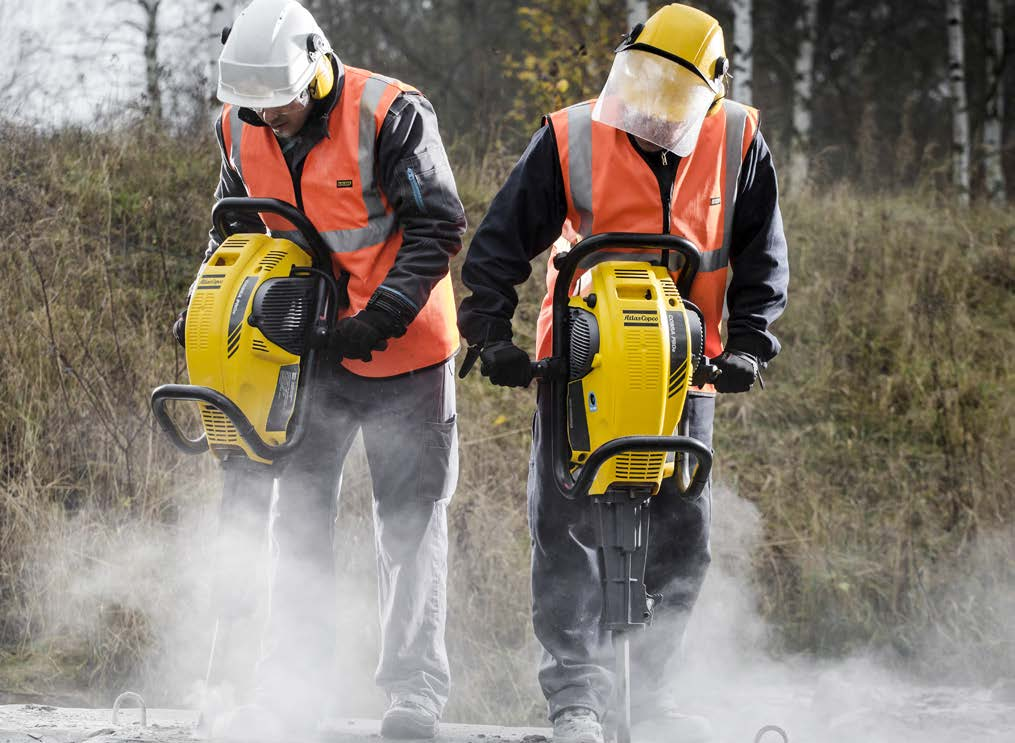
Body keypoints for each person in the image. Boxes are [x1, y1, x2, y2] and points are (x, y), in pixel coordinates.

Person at [456, 4, 788, 743]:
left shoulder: (737, 140)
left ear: (710, 87)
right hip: (578, 362)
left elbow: (762, 258)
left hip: (683, 371)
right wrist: (488, 331)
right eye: (642, 85)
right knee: (563, 527)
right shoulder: (573, 133)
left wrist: (750, 347)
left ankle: (655, 697)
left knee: (682, 535)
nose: (652, 108)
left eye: (672, 94)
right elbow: (499, 244)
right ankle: (577, 696)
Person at [172, 0, 466, 738]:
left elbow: (439, 225)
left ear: (317, 67)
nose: (270, 117)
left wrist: (378, 317)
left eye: (281, 101)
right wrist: (208, 305)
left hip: (406, 352)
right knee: (295, 520)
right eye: (255, 104)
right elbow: (233, 226)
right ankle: (293, 686)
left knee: (408, 523)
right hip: (306, 353)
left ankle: (414, 693)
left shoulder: (390, 113)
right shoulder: (238, 126)